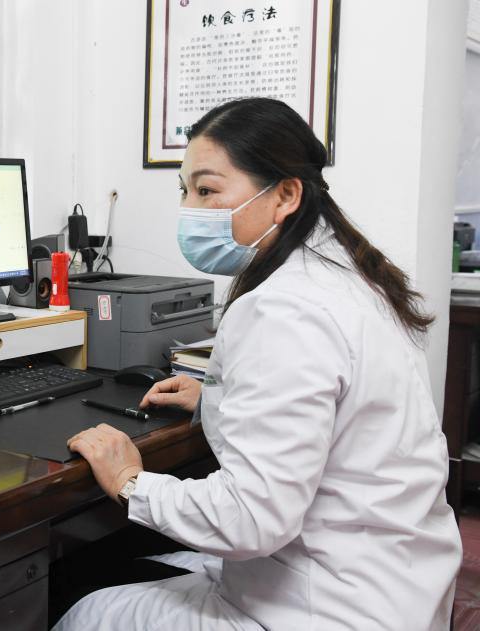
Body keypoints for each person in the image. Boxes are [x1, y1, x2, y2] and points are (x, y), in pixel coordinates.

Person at [56, 98, 462, 630]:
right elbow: (334, 408)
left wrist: (131, 481)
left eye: (206, 190)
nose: (190, 208)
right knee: (145, 566)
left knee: (87, 611)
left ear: (286, 195)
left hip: (326, 607)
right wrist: (221, 398)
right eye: (184, 190)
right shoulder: (347, 272)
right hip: (397, 585)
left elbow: (250, 519)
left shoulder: (285, 308)